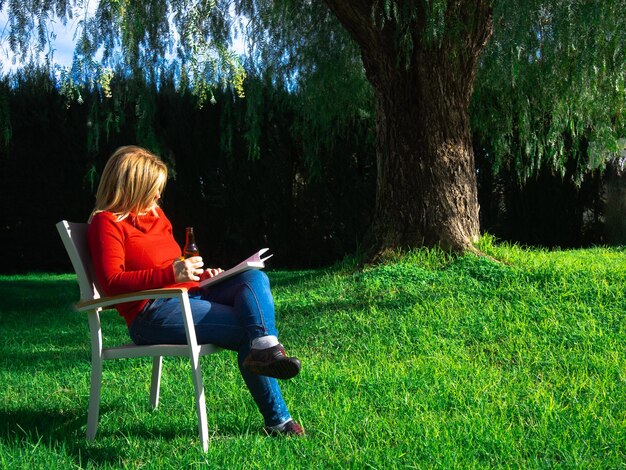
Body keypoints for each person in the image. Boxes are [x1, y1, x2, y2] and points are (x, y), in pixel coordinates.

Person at [87, 145, 304, 437]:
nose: (157, 197)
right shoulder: (107, 223)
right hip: (151, 314)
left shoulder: (157, 215)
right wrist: (172, 273)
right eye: (153, 189)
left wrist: (200, 275)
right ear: (133, 186)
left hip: (188, 295)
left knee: (252, 278)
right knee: (246, 329)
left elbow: (170, 263)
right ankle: (279, 422)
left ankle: (265, 348)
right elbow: (111, 282)